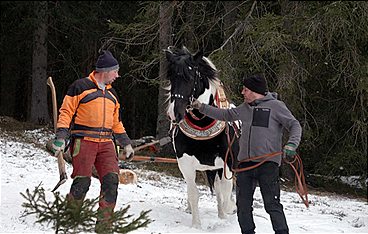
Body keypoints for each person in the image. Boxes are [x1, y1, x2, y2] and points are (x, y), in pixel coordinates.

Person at [191, 73, 302, 234]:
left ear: (255, 90)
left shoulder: (276, 106)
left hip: (267, 164)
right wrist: (201, 107)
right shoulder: (245, 108)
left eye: (245, 89)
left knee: (272, 205)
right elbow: (226, 115)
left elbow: (294, 125)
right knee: (243, 207)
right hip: (245, 165)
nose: (242, 92)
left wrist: (292, 144)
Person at [50, 50, 135, 230]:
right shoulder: (80, 86)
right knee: (82, 181)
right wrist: (61, 138)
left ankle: (104, 226)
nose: (117, 76)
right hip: (84, 141)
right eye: (115, 72)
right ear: (105, 70)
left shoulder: (113, 95)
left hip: (106, 143)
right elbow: (66, 112)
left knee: (112, 181)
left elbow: (116, 123)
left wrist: (126, 143)